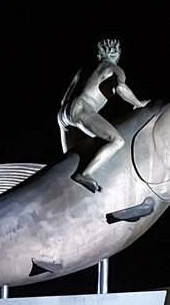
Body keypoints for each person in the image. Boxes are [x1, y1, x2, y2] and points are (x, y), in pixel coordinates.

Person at [57, 38, 149, 191]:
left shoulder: (84, 70)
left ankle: (67, 179)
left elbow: (63, 100)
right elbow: (120, 88)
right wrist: (138, 103)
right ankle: (84, 174)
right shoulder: (114, 68)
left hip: (63, 114)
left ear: (99, 55)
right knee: (117, 141)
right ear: (118, 54)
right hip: (82, 108)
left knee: (68, 159)